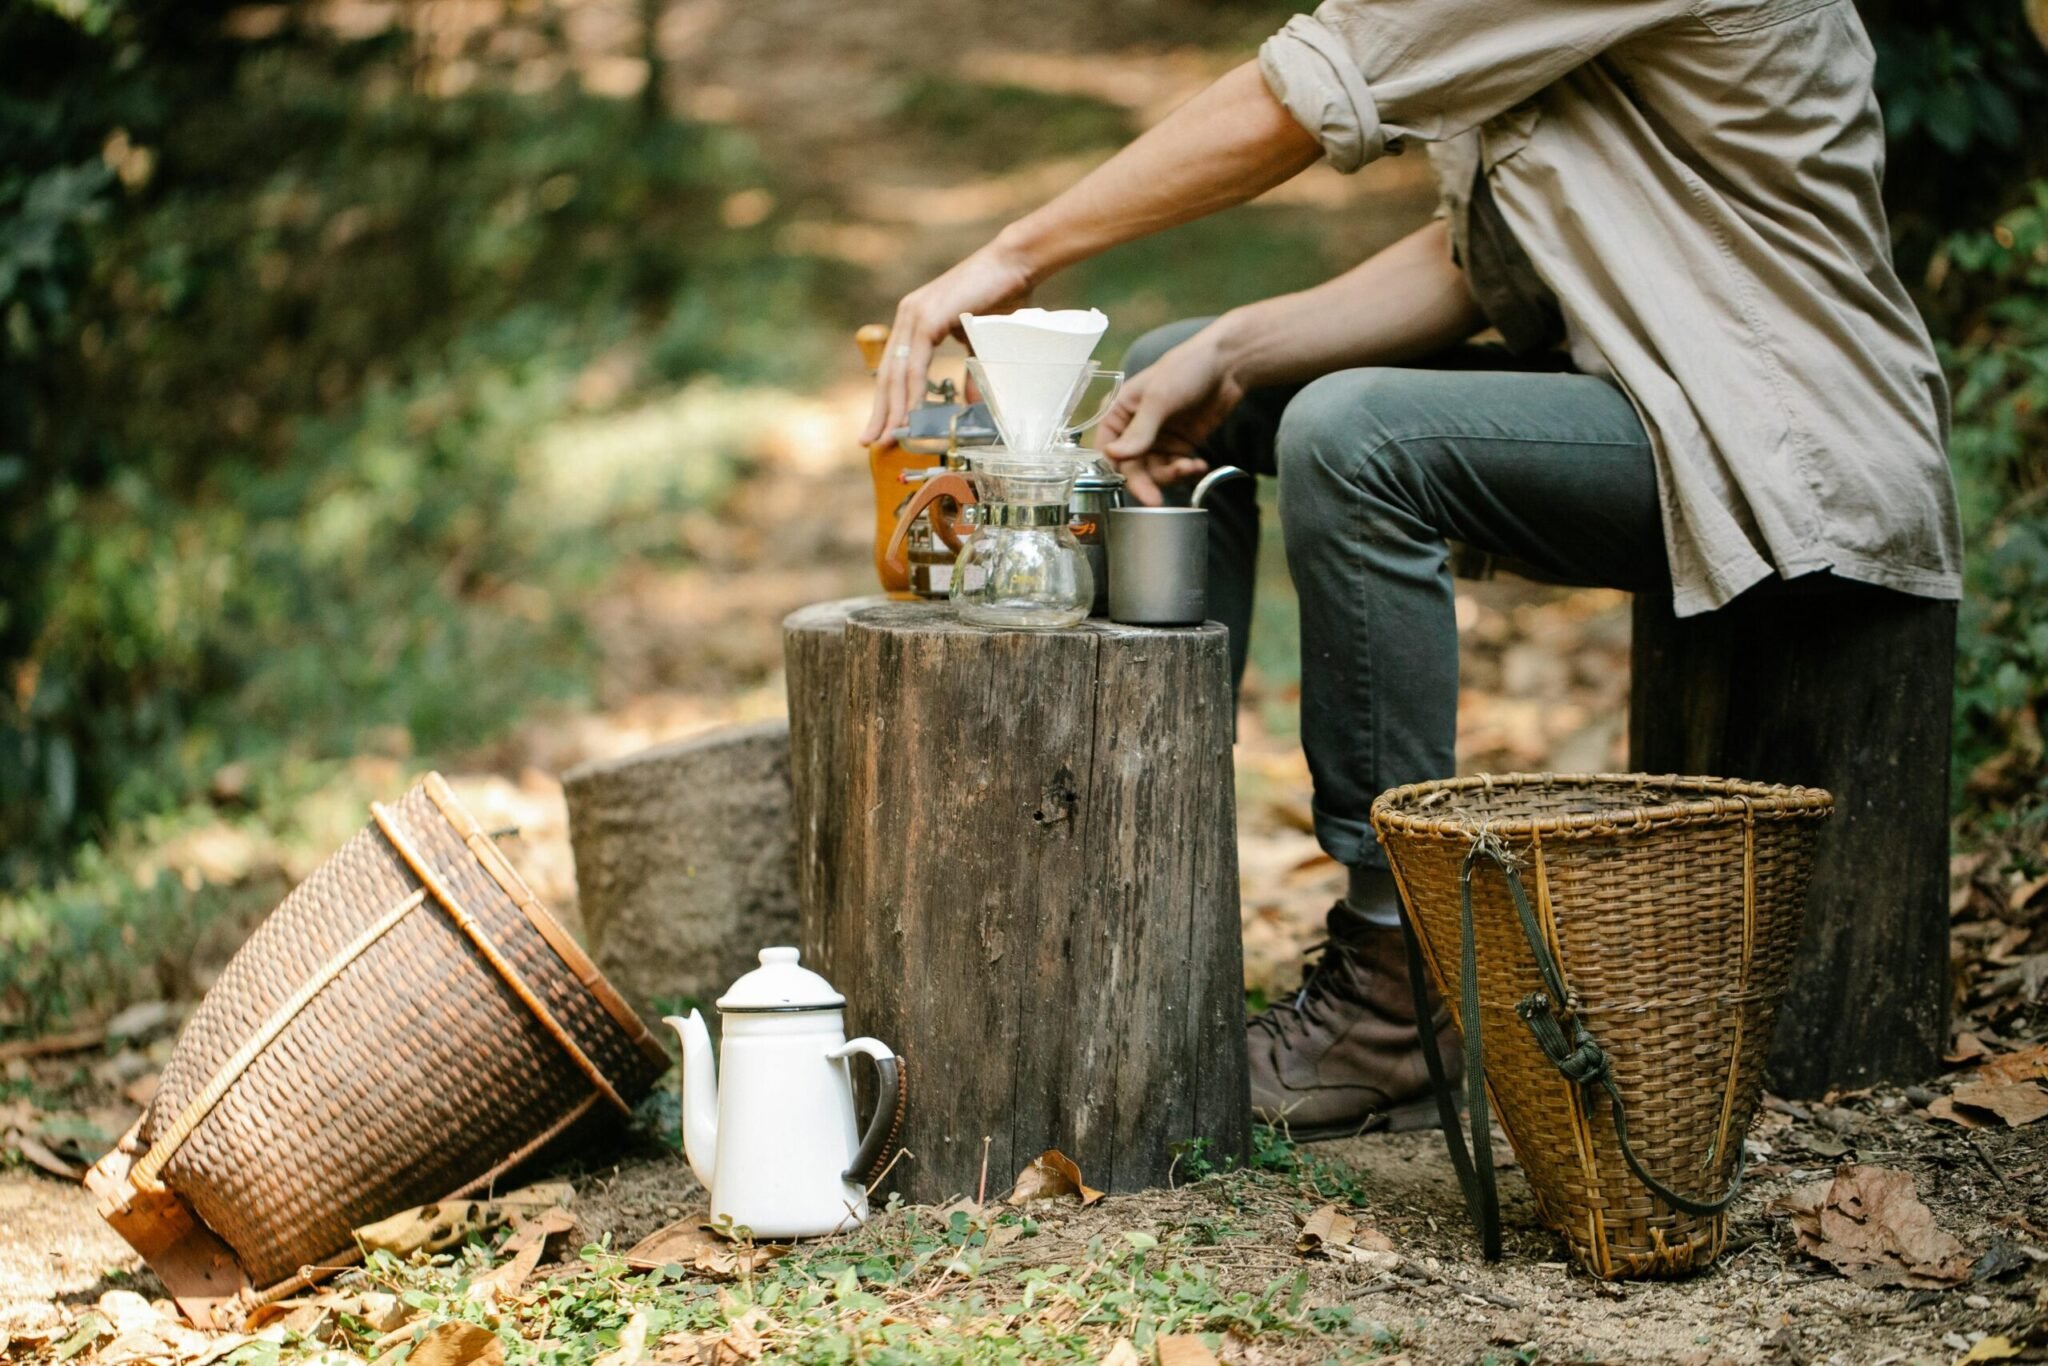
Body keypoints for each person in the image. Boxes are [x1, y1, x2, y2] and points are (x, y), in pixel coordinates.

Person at [859, 0, 1961, 1138]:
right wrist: (1226, 349)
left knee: (1355, 435)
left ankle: (1397, 991)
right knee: (1169, 369)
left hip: (1786, 449)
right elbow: (1484, 263)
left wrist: (1010, 252)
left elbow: (1299, 96)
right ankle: (1144, 925)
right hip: (1661, 400)